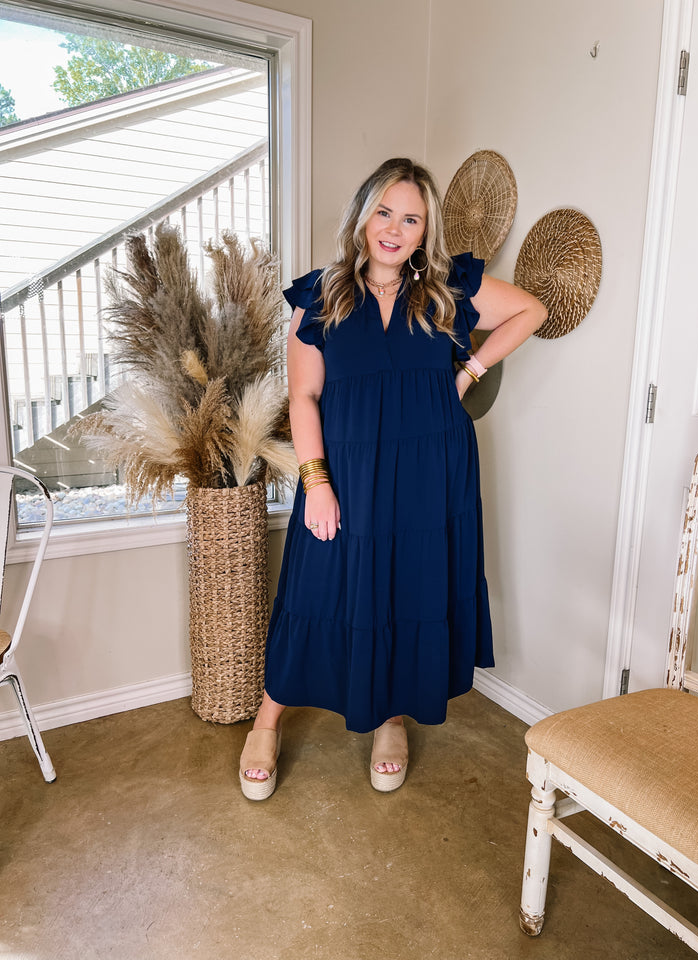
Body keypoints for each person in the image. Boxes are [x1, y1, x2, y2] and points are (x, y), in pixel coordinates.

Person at [239, 157, 546, 800]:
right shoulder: (319, 296)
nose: (395, 229)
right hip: (345, 473)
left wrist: (467, 373)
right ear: (362, 214)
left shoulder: (447, 289)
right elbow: (303, 400)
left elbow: (530, 312)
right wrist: (316, 483)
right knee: (316, 590)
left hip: (432, 472)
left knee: (407, 590)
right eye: (385, 211)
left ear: (424, 230)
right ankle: (268, 718)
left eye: (411, 218)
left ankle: (390, 720)